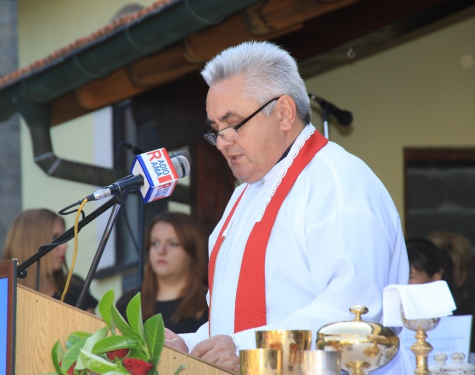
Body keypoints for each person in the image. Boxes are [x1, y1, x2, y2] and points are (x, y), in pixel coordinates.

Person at [163, 41, 411, 374]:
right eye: (215, 130)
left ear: (283, 112)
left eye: (232, 123)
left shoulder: (338, 182)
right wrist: (188, 347)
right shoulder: (241, 199)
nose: (222, 142)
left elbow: (354, 318)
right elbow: (230, 325)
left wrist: (247, 349)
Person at [116, 212, 208, 334]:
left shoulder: (209, 303)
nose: (161, 251)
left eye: (173, 244)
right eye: (155, 243)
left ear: (192, 251)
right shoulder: (128, 303)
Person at [2, 208, 98, 313]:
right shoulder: (1, 296)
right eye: (55, 237)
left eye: (64, 238)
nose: (64, 246)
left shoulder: (74, 289)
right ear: (30, 243)